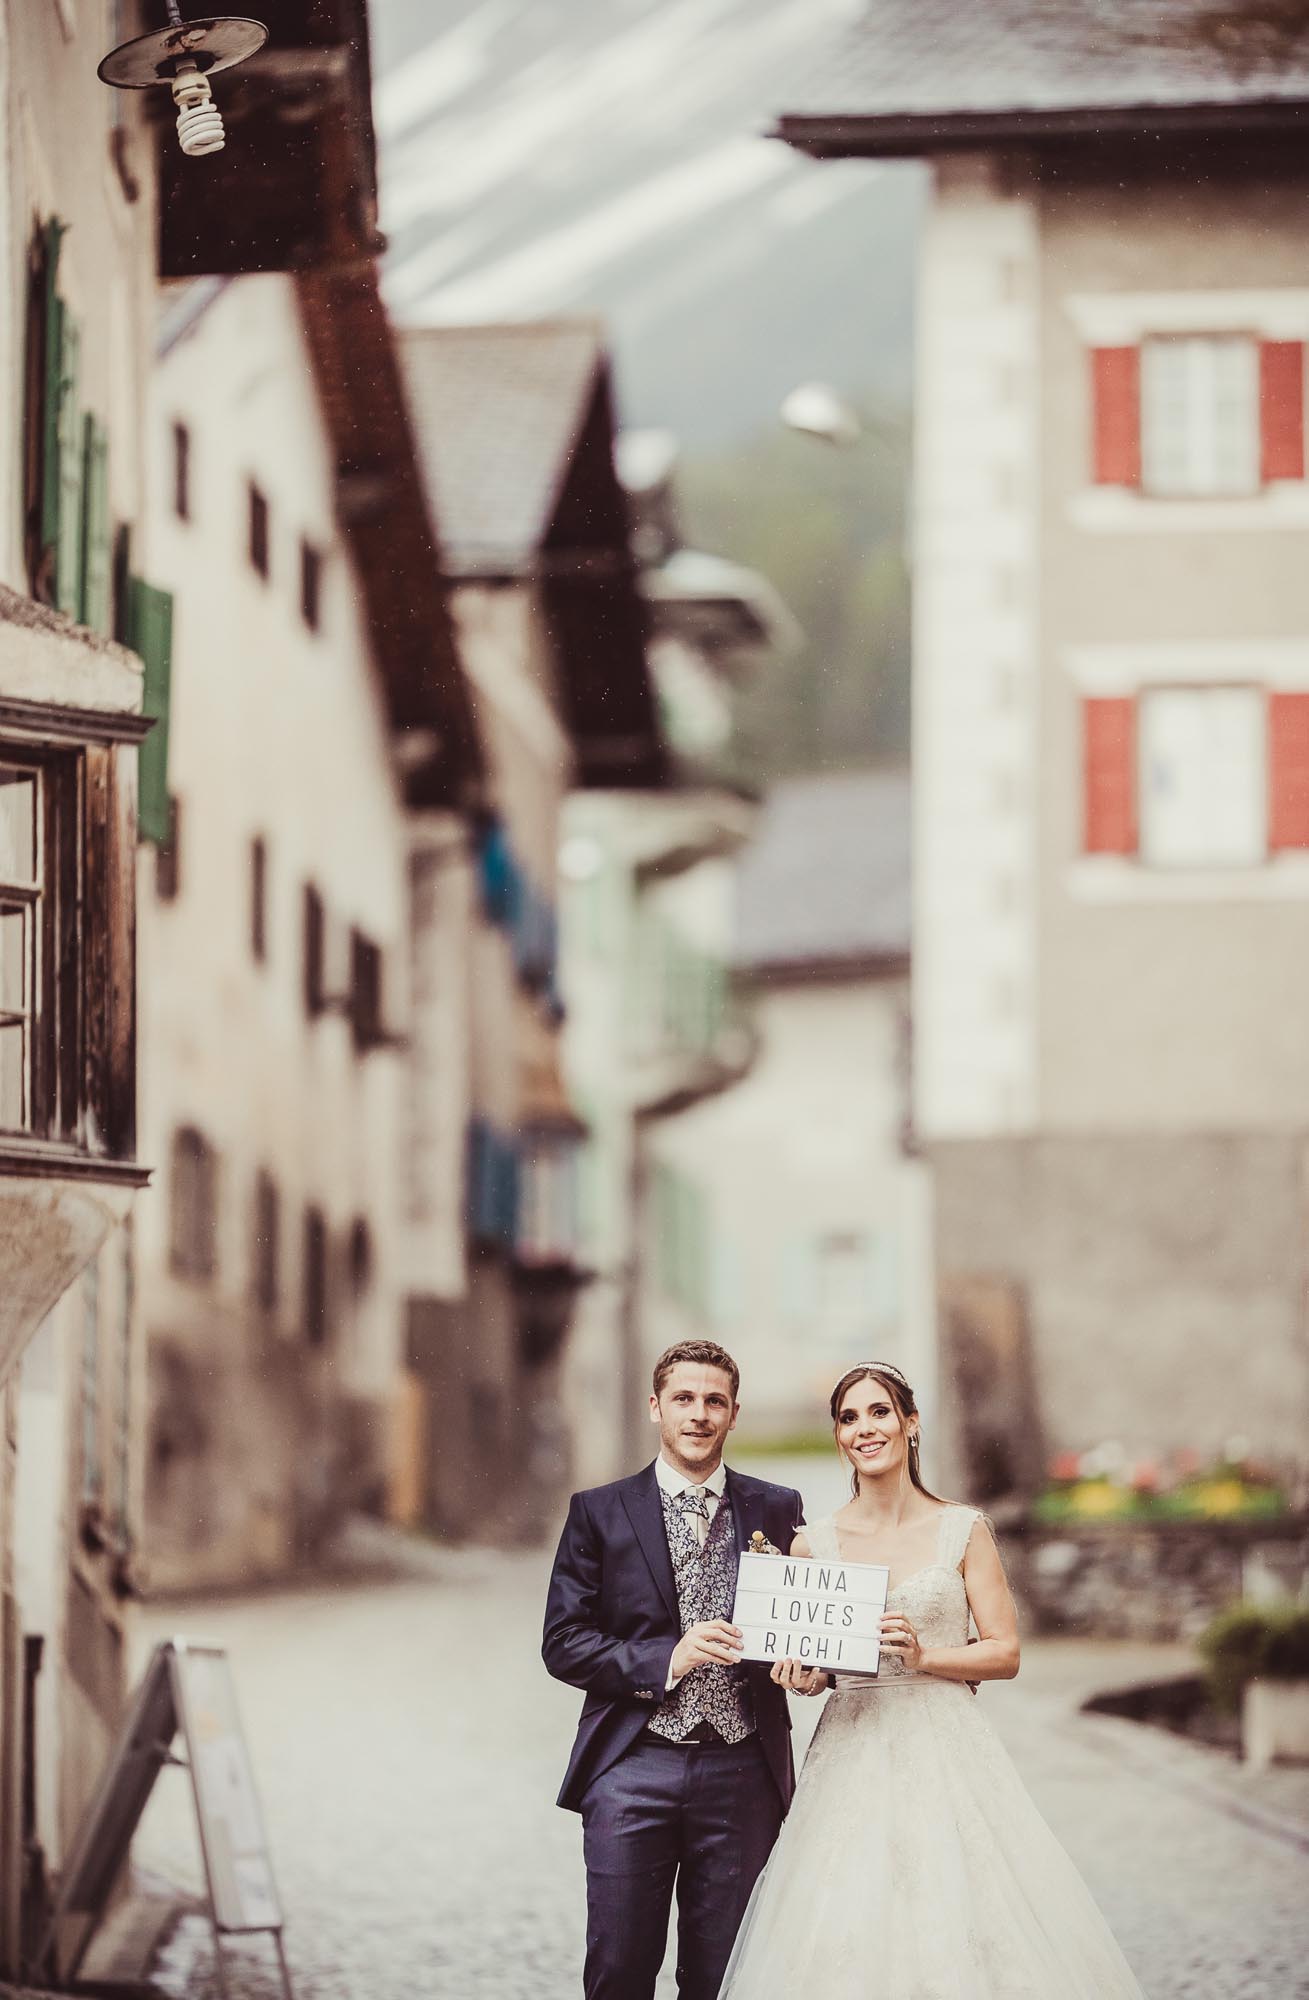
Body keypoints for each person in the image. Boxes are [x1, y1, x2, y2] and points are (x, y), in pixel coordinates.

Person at [719, 1362, 1149, 2000]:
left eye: (880, 1412)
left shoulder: (963, 1529)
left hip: (946, 1744)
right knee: (847, 1915)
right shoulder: (811, 1545)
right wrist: (804, 1678)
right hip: (852, 1748)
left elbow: (1005, 1652)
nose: (865, 1428)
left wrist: (926, 1657)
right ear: (838, 1436)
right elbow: (818, 1662)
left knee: (966, 1908)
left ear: (911, 1423)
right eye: (849, 1418)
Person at [542, 1339, 805, 2000]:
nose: (698, 1414)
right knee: (619, 1970)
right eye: (683, 1398)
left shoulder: (777, 1508)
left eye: (714, 1401)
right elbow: (563, 1642)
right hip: (633, 1766)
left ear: (734, 1413)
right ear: (655, 1406)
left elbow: (803, 1625)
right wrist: (666, 1658)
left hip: (743, 1772)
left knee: (723, 1979)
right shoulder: (599, 1511)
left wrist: (812, 1668)